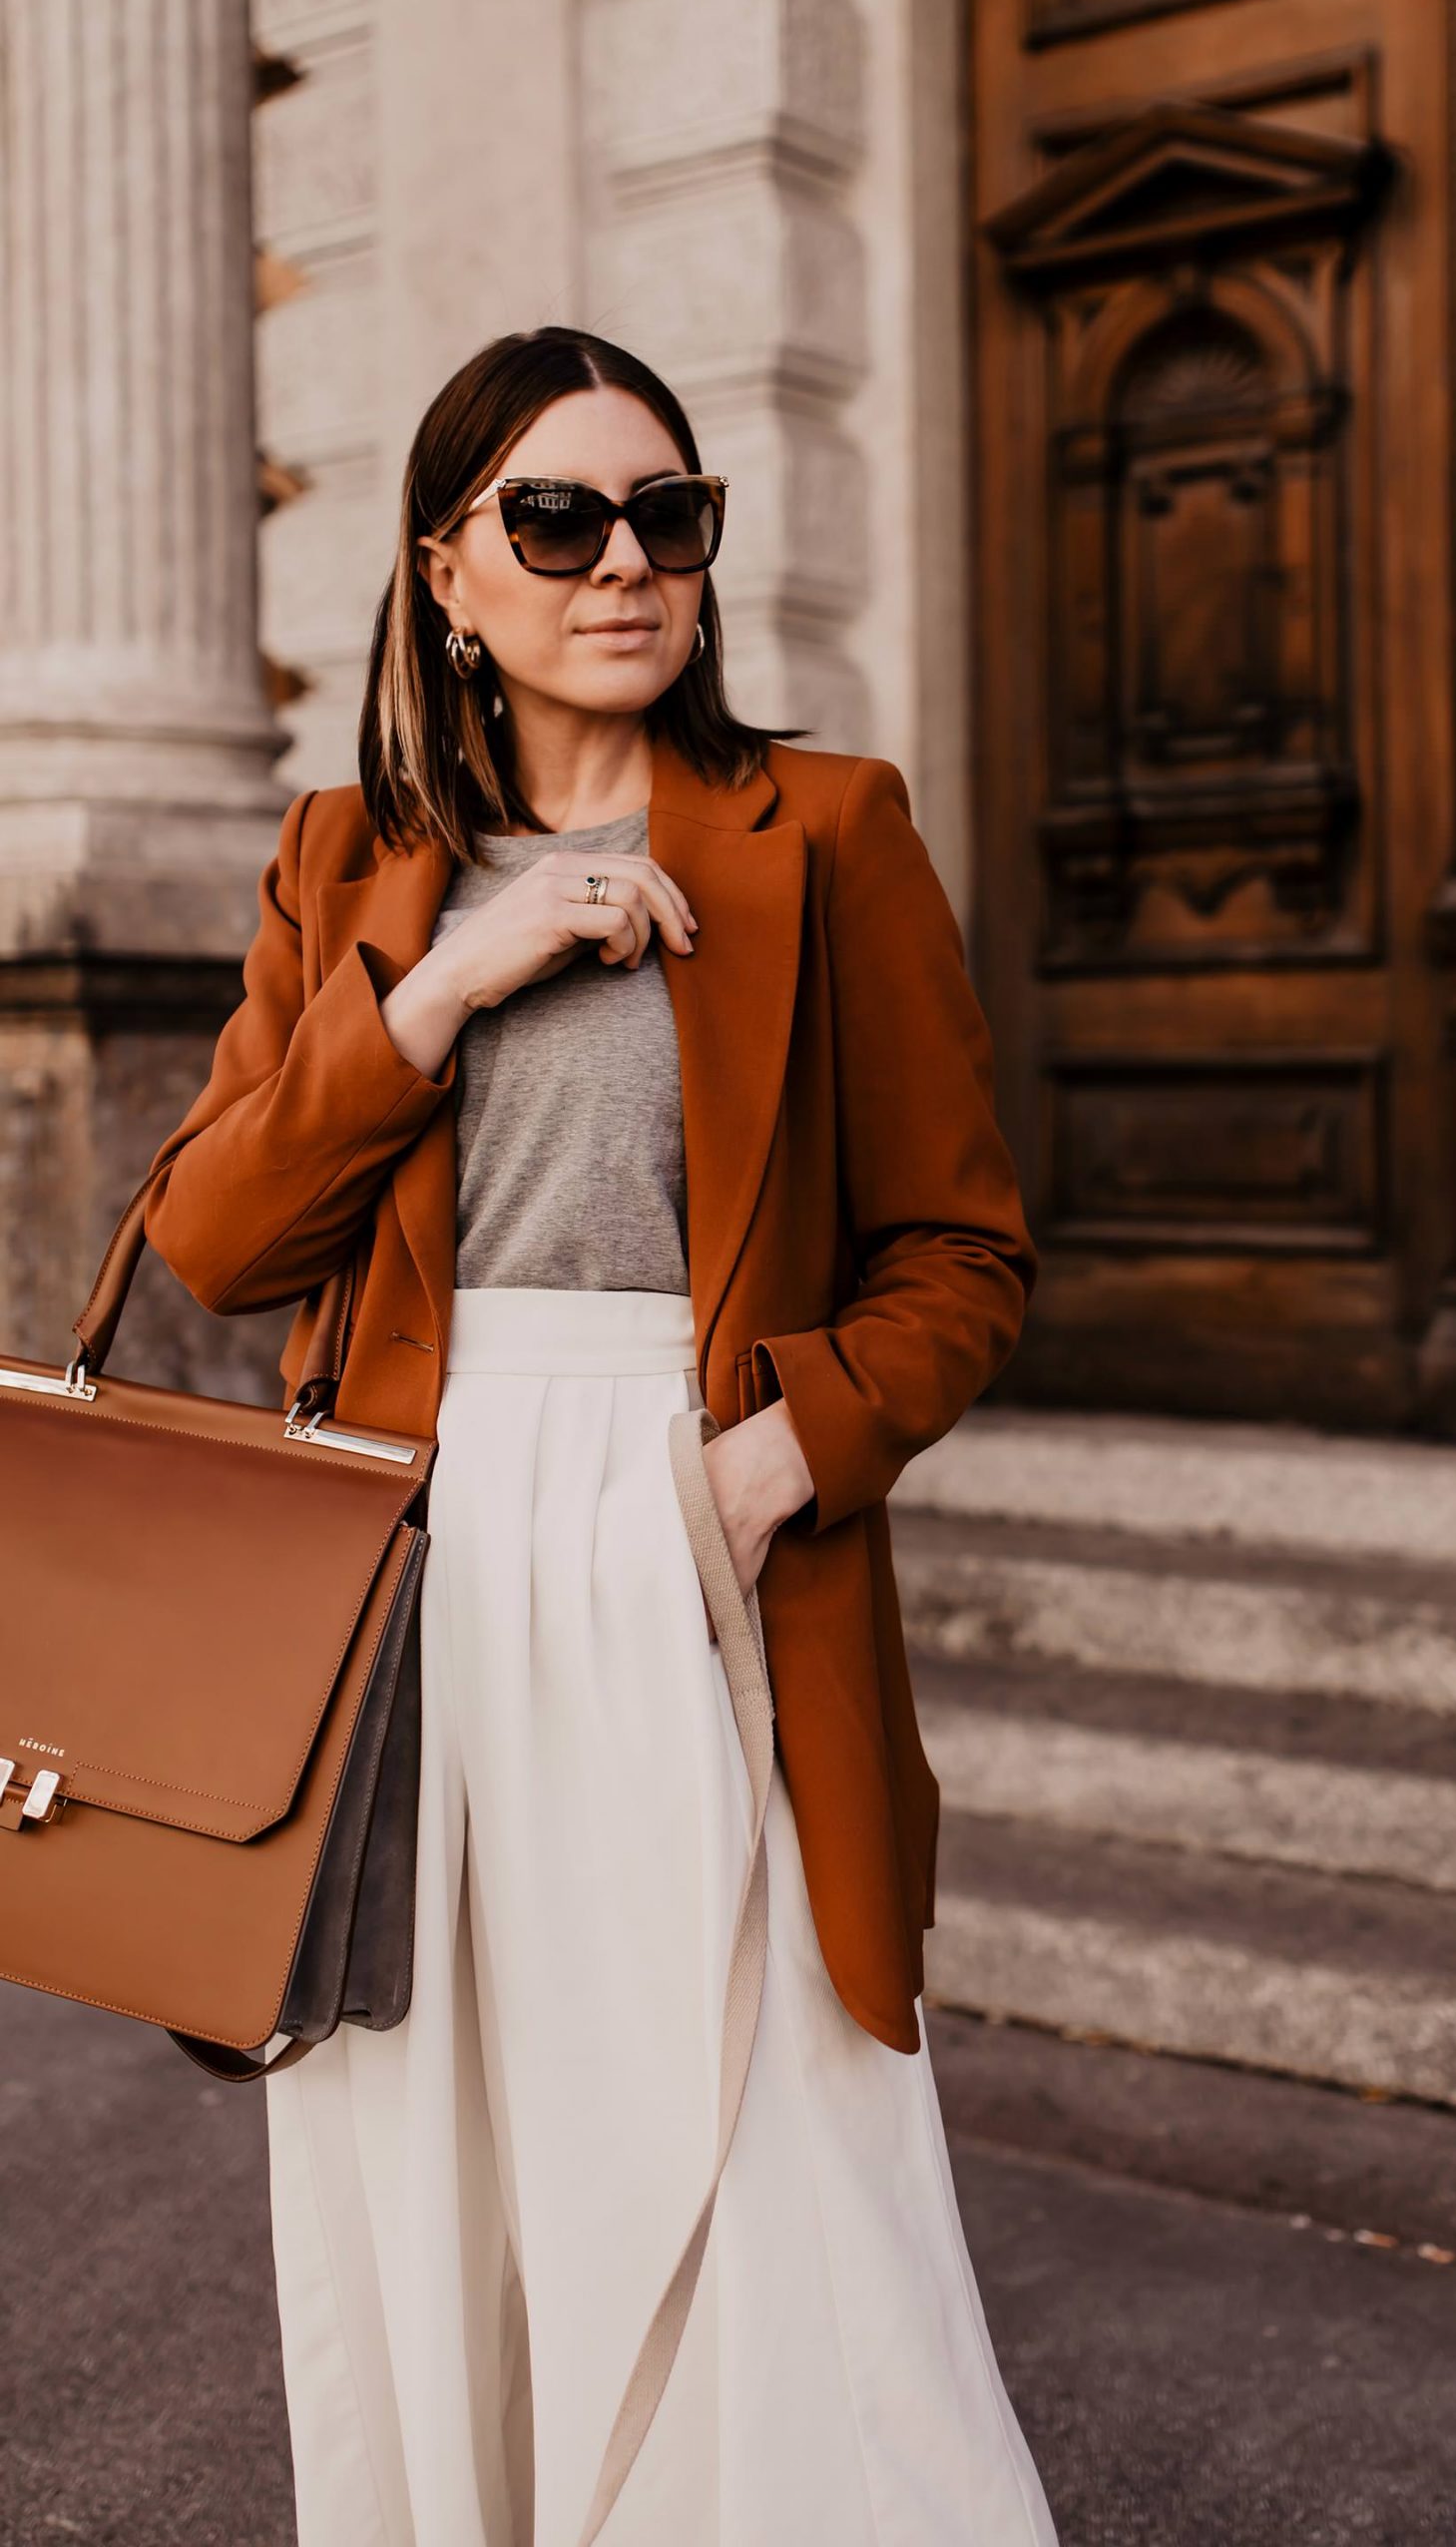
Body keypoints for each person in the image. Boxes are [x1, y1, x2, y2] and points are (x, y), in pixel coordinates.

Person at [142, 324, 1058, 2547]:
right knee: (439, 2132)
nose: (624, 561)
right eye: (558, 519)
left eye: (668, 513)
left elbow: (961, 1251)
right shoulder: (346, 860)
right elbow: (219, 1235)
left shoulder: (822, 832)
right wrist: (445, 982)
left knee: (756, 2138)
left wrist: (773, 1458)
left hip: (699, 1540)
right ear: (449, 569)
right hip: (414, 1557)